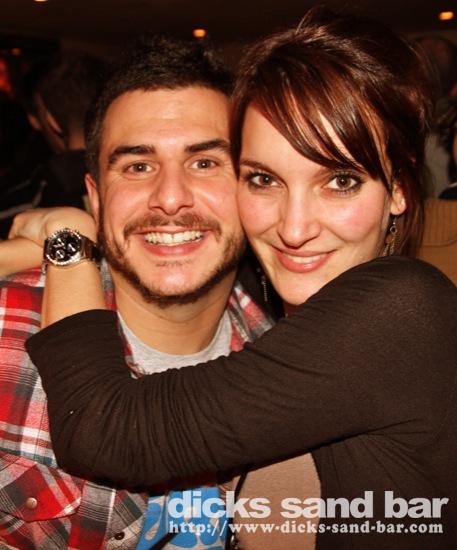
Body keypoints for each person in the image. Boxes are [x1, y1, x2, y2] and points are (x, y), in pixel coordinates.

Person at [10, 7, 457, 549]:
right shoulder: (274, 326)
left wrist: (68, 239)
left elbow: (105, 429)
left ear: (400, 189)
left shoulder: (402, 309)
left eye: (340, 181)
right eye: (265, 179)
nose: (294, 228)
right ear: (96, 196)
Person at [0, 35, 277, 549]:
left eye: (204, 162)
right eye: (138, 166)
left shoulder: (292, 355)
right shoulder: (6, 335)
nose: (170, 198)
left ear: (254, 185)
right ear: (95, 199)